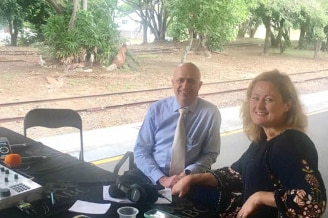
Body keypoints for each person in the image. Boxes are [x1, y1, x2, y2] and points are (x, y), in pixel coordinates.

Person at [171, 69, 327, 217]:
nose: (259, 106)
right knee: (187, 190)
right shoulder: (264, 140)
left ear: (287, 104)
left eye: (268, 100)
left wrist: (258, 198)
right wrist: (190, 179)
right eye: (255, 98)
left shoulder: (290, 143)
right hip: (243, 209)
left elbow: (312, 203)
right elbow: (235, 174)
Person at [133, 62, 221, 188]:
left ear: (199, 85)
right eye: (180, 80)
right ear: (173, 83)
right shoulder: (156, 110)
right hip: (153, 179)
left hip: (190, 181)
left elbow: (210, 153)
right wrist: (162, 179)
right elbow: (141, 151)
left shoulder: (211, 113)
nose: (185, 85)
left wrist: (187, 174)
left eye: (191, 81)